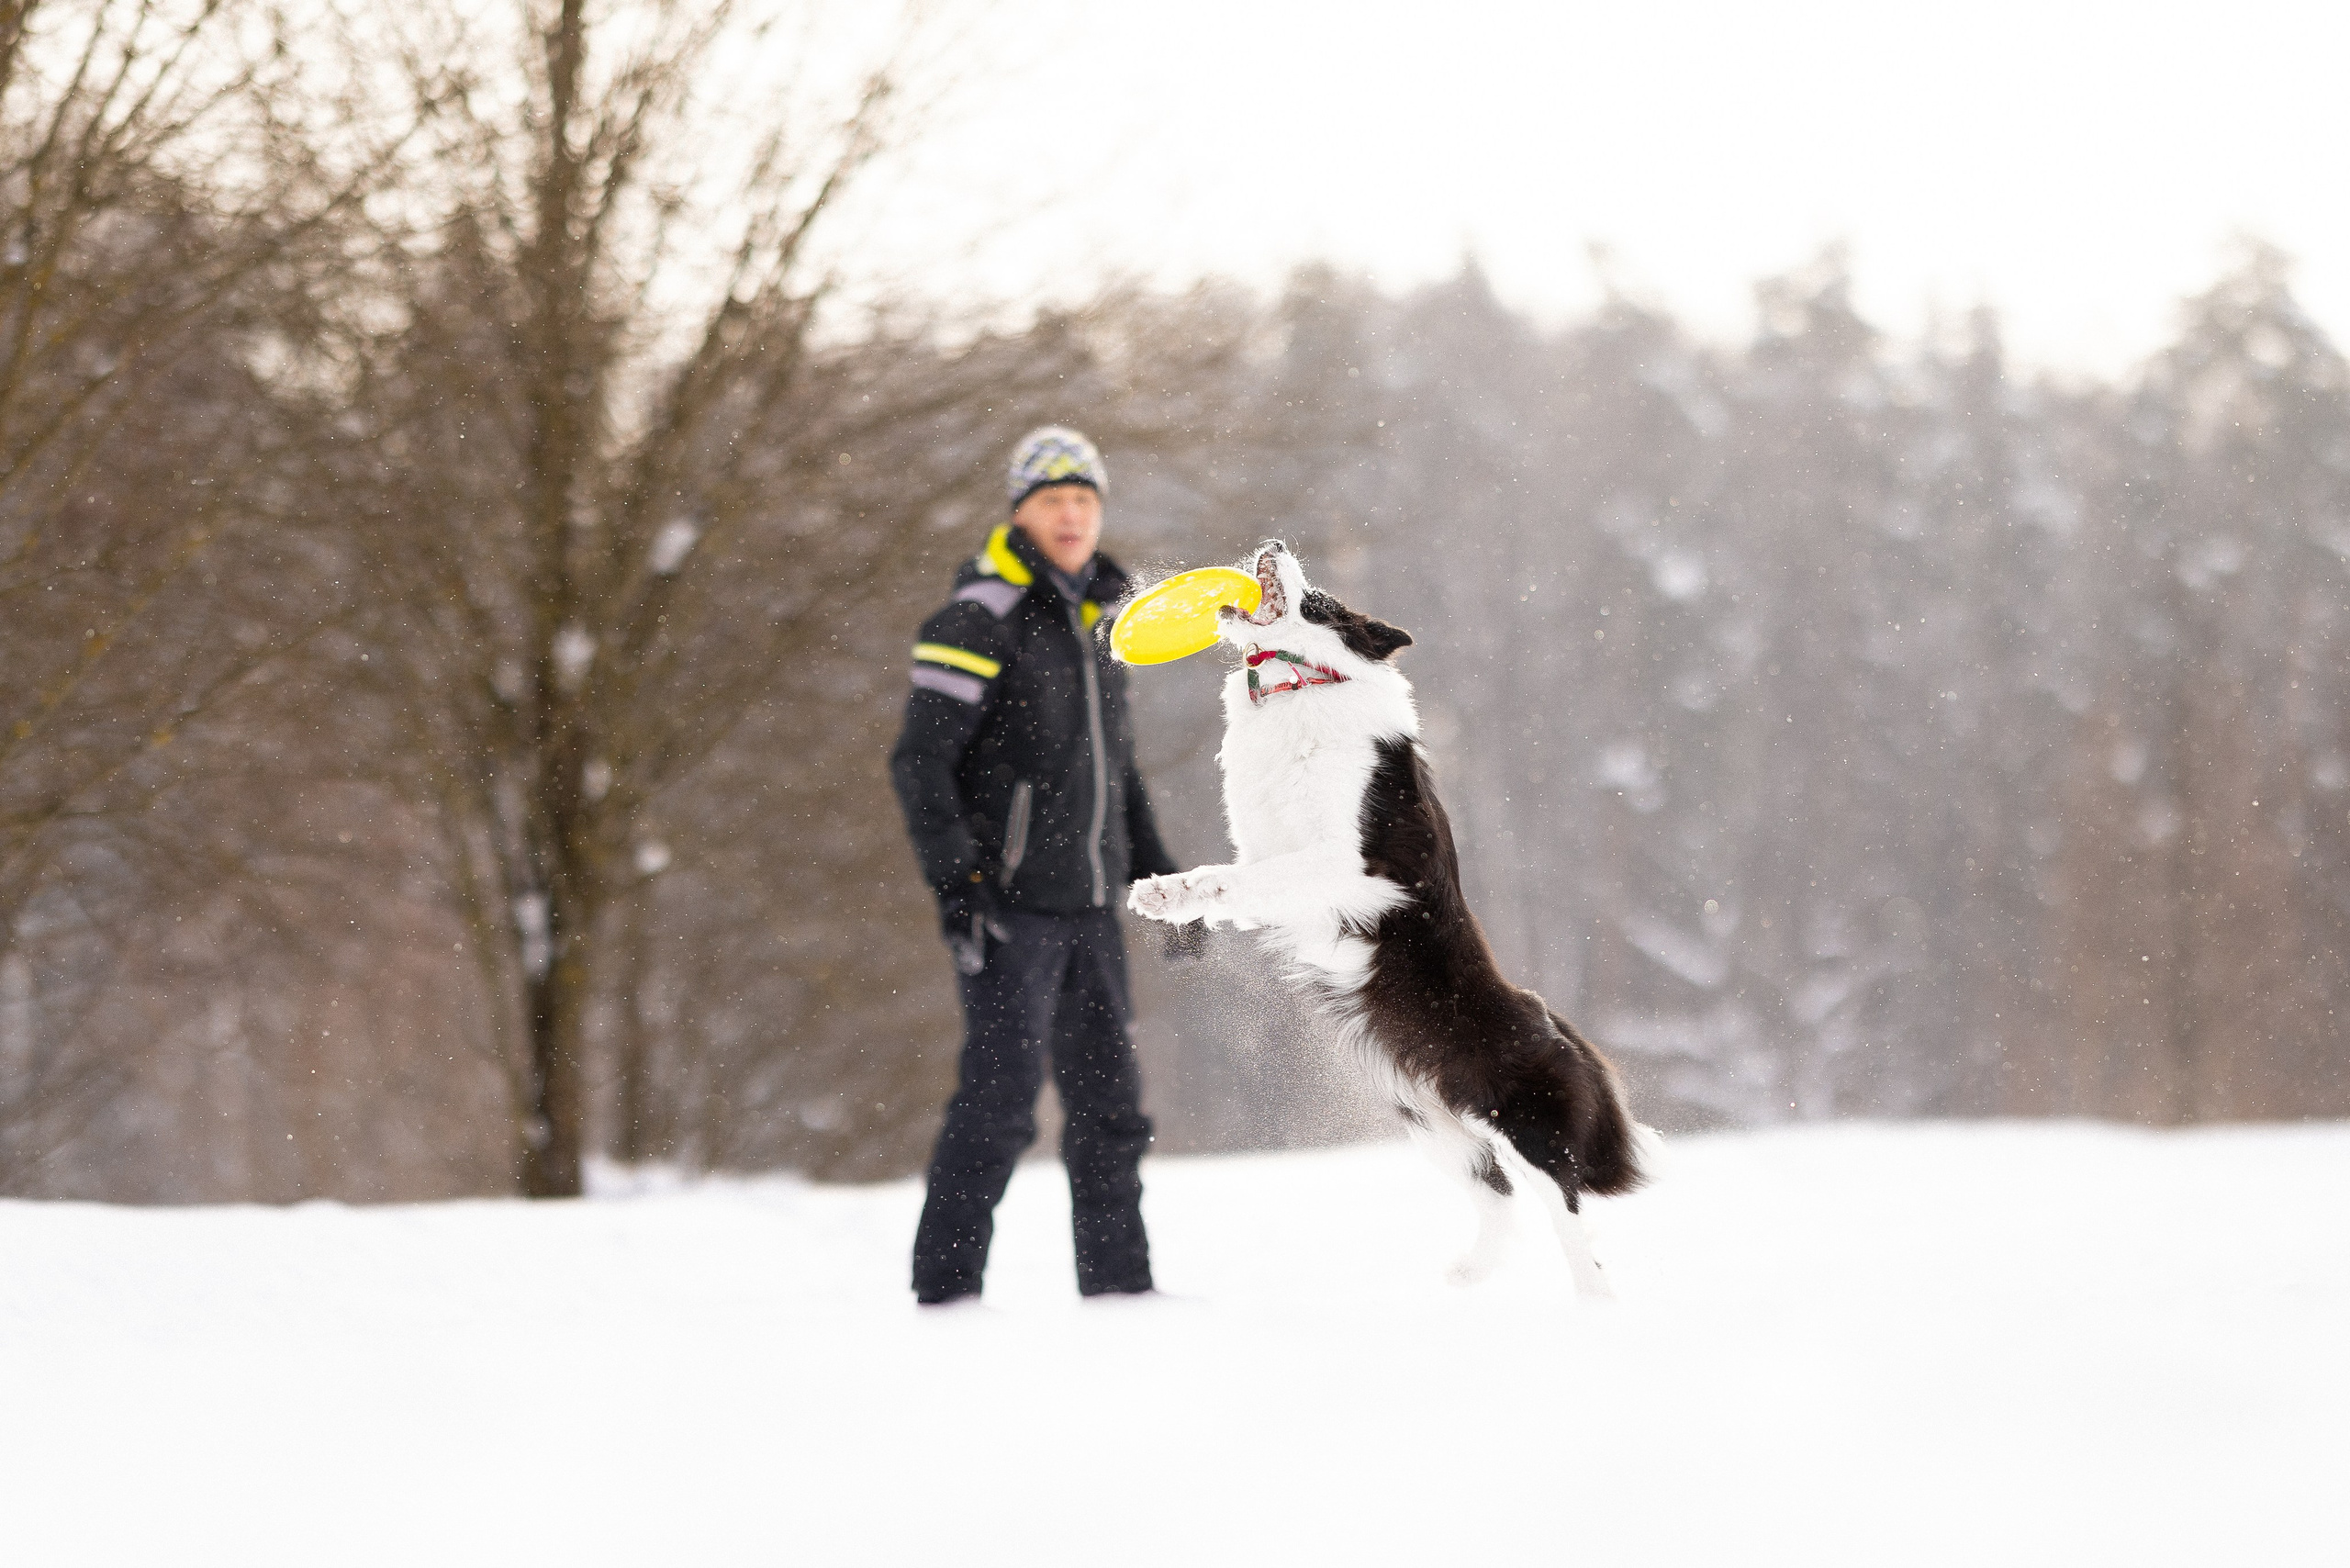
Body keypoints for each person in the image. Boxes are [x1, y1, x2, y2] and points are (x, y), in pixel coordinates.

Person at [889, 426, 1194, 1306]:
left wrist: (1164, 882)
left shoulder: (1105, 623)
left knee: (1111, 1114)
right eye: (1054, 500)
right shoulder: (978, 617)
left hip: (1092, 908)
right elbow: (918, 761)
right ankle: (944, 1301)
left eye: (1085, 501)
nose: (1071, 516)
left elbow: (1117, 774)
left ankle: (1122, 1295)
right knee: (1000, 1108)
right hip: (1010, 908)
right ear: (1020, 512)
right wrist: (960, 882)